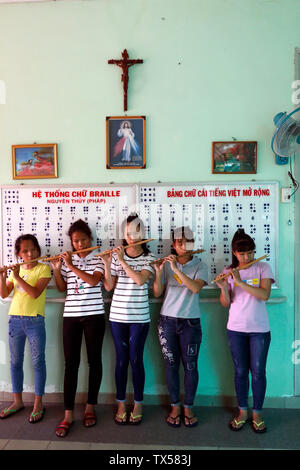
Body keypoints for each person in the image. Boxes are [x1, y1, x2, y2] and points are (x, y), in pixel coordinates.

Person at [52, 219, 111, 438]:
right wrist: (58, 270)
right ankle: (68, 414)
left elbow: (94, 281)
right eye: (75, 241)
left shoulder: (99, 258)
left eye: (83, 239)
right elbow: (61, 288)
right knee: (71, 365)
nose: (79, 244)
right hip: (71, 317)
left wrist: (71, 266)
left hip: (94, 315)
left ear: (90, 239)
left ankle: (90, 407)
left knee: (94, 361)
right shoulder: (68, 260)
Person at [215, 228, 274, 433]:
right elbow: (225, 303)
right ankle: (242, 412)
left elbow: (264, 294)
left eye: (250, 252)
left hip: (259, 330)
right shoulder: (228, 271)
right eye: (242, 253)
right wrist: (224, 286)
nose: (247, 256)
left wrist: (239, 281)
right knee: (240, 372)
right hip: (236, 329)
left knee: (258, 373)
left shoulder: (263, 268)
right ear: (234, 253)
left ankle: (257, 414)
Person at [153, 226, 208, 428]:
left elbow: (195, 288)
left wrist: (176, 269)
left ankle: (189, 406)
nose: (184, 246)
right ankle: (175, 405)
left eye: (188, 242)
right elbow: (158, 293)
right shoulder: (166, 264)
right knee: (170, 366)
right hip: (167, 321)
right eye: (179, 242)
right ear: (174, 245)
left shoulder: (201, 265)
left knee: (190, 367)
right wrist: (159, 272)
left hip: (190, 323)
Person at [105, 214, 156, 425]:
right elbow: (109, 287)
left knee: (136, 359)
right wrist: (108, 265)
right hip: (117, 316)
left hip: (139, 318)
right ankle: (120, 403)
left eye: (135, 232)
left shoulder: (150, 257)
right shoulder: (118, 256)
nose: (131, 237)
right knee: (121, 360)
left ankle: (138, 404)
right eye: (127, 233)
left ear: (142, 233)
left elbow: (140, 280)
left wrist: (122, 261)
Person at [0, 234, 51, 423]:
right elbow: (5, 294)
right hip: (14, 320)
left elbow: (35, 293)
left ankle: (38, 403)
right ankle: (17, 402)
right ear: (19, 254)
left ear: (37, 249)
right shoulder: (16, 270)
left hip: (35, 321)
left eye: (33, 249)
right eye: (25, 251)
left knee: (38, 362)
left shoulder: (44, 269)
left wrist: (16, 276)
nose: (30, 253)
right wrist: (3, 276)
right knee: (15, 362)